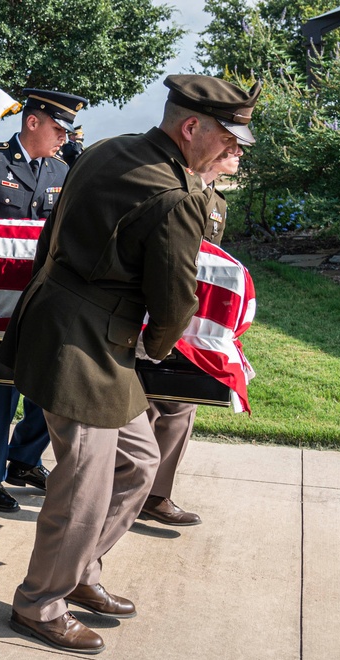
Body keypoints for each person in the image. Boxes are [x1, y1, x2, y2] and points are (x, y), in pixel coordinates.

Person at [0, 74, 261, 654]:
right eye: (228, 138)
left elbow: (53, 231)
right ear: (191, 127)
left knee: (139, 460)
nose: (233, 151)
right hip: (84, 347)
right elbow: (173, 303)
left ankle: (83, 569)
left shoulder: (108, 149)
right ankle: (40, 602)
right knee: (83, 484)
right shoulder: (174, 198)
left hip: (70, 324)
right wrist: (161, 349)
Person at [0, 88, 88, 513]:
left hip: (41, 299)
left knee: (51, 386)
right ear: (32, 122)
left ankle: (23, 459)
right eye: (57, 127)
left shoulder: (60, 172)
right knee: (0, 388)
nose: (64, 137)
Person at [138, 142, 246, 526]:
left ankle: (156, 494)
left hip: (189, 320)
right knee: (145, 407)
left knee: (181, 407)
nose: (240, 155)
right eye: (233, 149)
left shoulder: (217, 202)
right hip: (150, 315)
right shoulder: (177, 188)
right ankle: (129, 492)